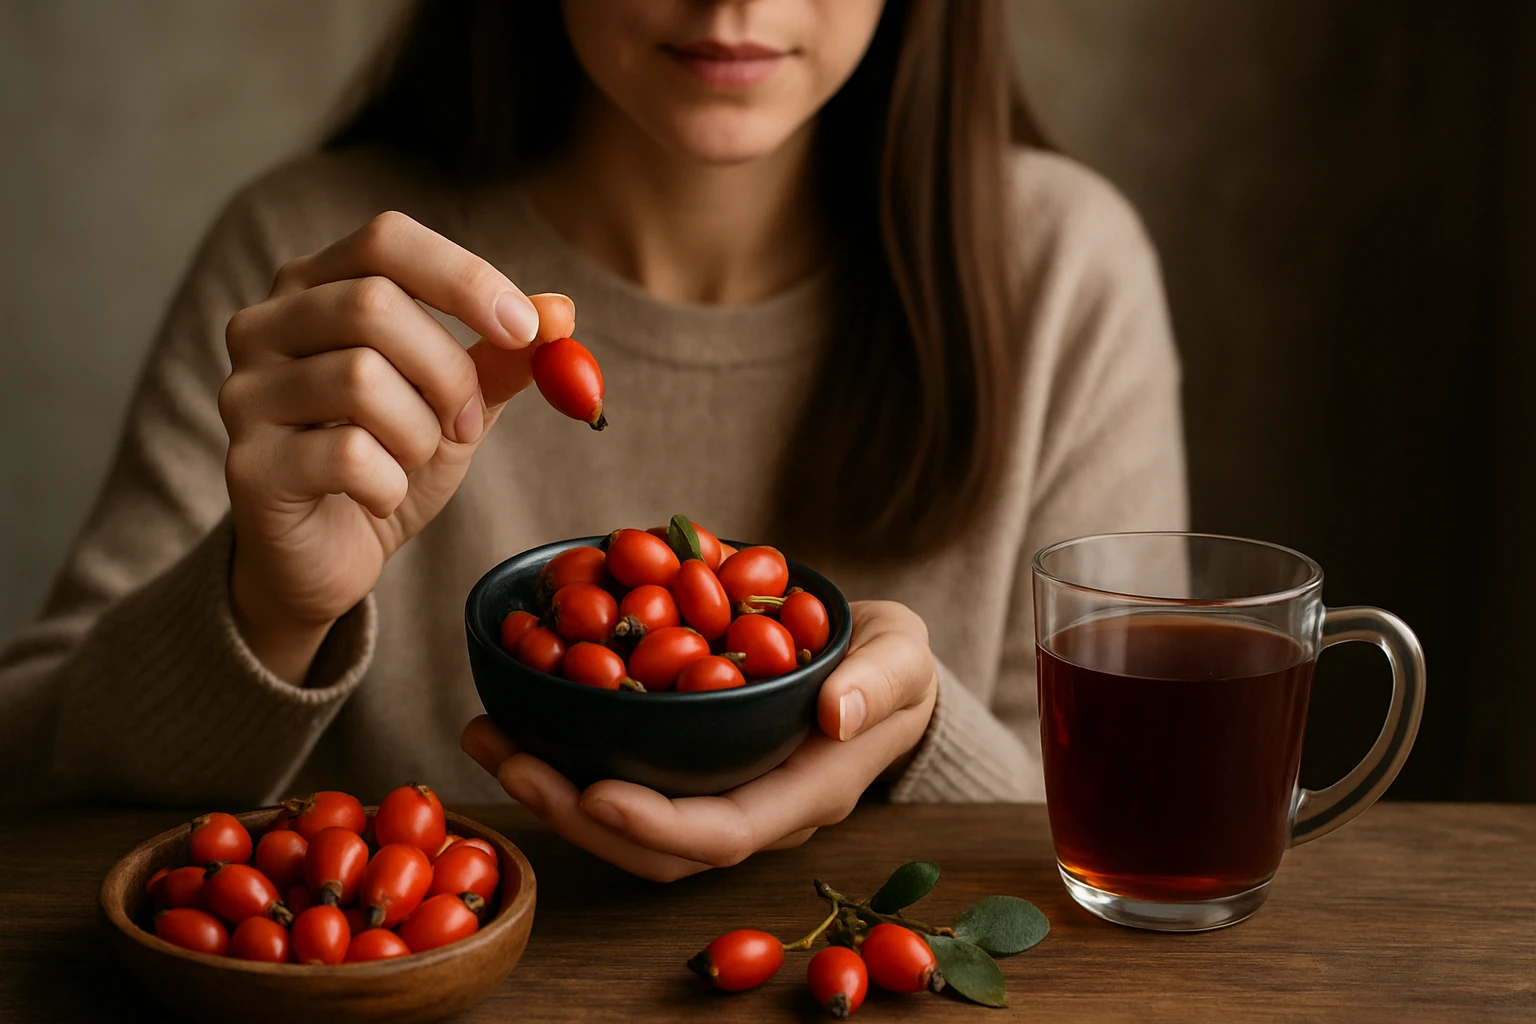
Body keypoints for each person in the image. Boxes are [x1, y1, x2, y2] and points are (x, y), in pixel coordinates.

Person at [0, 0, 1185, 880]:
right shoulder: (327, 268)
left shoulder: (1066, 277)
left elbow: (1145, 844)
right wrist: (265, 606)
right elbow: (30, 781)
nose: (734, 3)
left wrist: (913, 739)